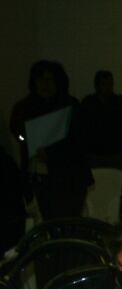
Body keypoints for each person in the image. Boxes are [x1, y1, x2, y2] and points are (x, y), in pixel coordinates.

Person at [9, 60, 92, 219]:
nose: (44, 84)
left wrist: (52, 153)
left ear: (58, 82)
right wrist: (26, 140)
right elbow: (18, 134)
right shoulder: (24, 108)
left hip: (69, 178)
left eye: (50, 79)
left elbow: (80, 140)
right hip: (39, 178)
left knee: (68, 220)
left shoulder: (70, 106)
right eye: (40, 79)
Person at [78, 70, 122, 171]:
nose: (108, 87)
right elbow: (81, 125)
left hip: (115, 154)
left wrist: (121, 142)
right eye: (104, 84)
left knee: (116, 179)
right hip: (94, 154)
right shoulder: (88, 103)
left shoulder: (120, 102)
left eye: (110, 84)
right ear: (97, 86)